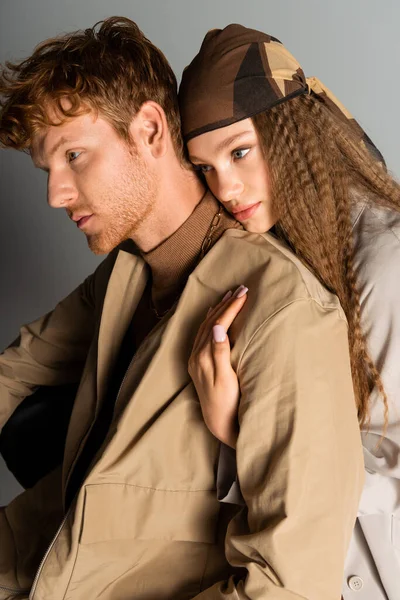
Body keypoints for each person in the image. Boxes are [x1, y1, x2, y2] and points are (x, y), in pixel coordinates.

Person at [0, 17, 363, 600]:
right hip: (33, 557)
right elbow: (16, 369)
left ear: (148, 129)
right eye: (48, 170)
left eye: (74, 156)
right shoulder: (123, 272)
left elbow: (289, 585)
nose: (54, 194)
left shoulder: (285, 311)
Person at [179, 24, 400, 600]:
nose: (225, 185)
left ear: (290, 132)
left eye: (239, 151)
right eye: (205, 167)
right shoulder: (282, 247)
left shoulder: (386, 265)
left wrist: (243, 430)